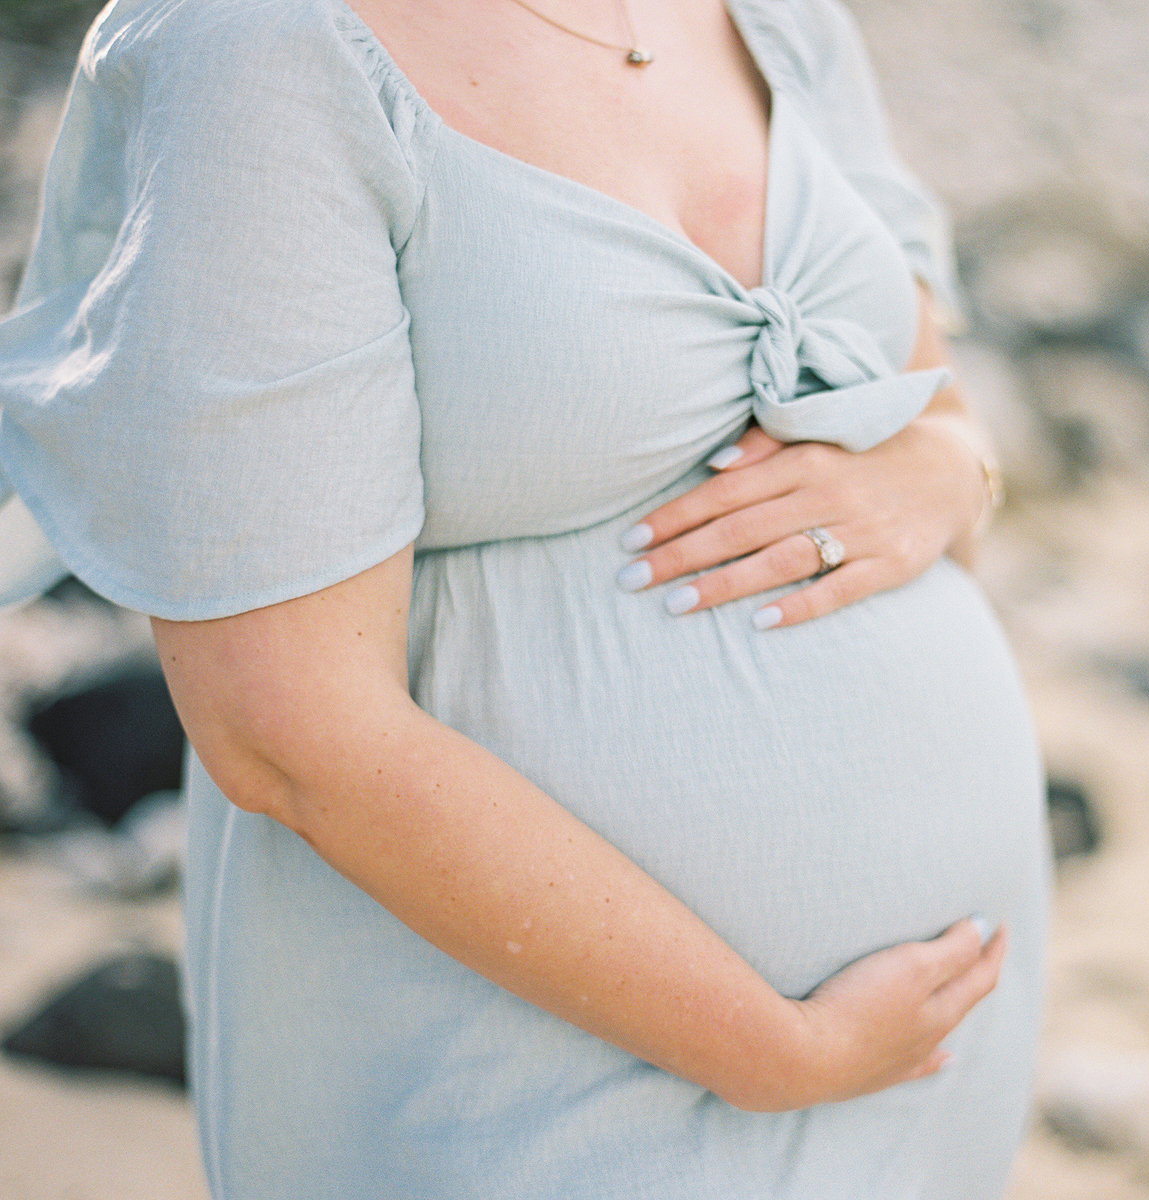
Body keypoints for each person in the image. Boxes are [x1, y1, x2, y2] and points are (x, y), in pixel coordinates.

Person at [0, 0, 1049, 1195]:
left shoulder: (770, 14)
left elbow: (934, 395)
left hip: (923, 1057)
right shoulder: (251, 48)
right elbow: (286, 734)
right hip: (531, 1061)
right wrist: (778, 1048)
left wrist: (953, 470)